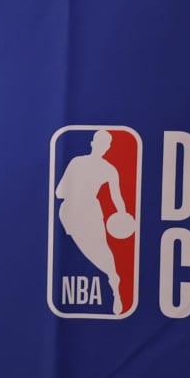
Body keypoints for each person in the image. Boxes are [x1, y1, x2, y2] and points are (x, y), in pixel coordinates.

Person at [55, 130, 126, 314]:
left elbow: (59, 192)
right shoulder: (105, 168)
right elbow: (116, 198)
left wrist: (123, 215)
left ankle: (114, 281)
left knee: (98, 250)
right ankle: (113, 279)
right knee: (97, 250)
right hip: (75, 213)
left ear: (94, 143)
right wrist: (122, 214)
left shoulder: (82, 163)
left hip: (82, 212)